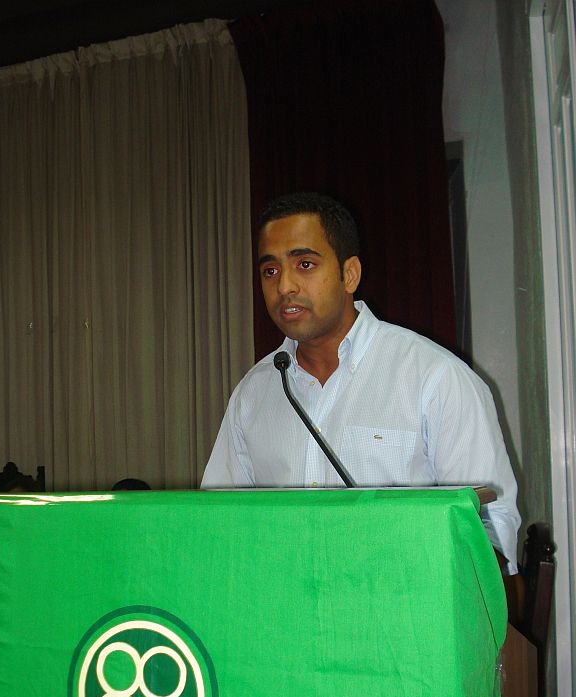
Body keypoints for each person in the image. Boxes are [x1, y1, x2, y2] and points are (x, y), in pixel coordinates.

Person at [202, 191, 521, 582]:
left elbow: (491, 528)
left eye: (304, 264)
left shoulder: (435, 378)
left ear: (349, 274)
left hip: (403, 603)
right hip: (281, 603)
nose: (284, 286)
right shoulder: (253, 393)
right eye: (270, 271)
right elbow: (215, 522)